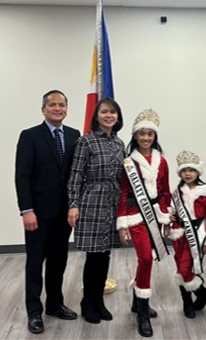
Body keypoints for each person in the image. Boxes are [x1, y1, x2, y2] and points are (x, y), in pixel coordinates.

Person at [15, 90, 79, 334]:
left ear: (66, 109)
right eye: (52, 105)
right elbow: (22, 176)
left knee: (58, 262)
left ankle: (55, 304)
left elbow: (75, 174)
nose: (57, 108)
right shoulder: (30, 136)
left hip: (64, 215)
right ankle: (34, 312)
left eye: (61, 105)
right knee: (34, 264)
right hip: (38, 215)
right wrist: (26, 210)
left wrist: (75, 205)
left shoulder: (74, 135)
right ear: (43, 109)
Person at [67, 98, 125, 324]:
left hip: (112, 201)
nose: (109, 115)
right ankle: (87, 302)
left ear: (118, 117)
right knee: (93, 256)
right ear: (97, 116)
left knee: (105, 254)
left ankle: (99, 300)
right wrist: (73, 204)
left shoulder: (120, 144)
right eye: (104, 112)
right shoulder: (86, 141)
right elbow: (75, 175)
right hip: (92, 201)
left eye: (113, 112)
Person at [117, 109, 171, 338]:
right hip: (135, 215)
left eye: (150, 134)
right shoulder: (129, 162)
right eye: (142, 134)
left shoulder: (163, 161)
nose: (146, 138)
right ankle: (142, 312)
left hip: (155, 216)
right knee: (146, 258)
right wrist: (122, 223)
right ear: (135, 137)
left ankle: (136, 301)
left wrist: (166, 217)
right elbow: (123, 193)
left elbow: (166, 192)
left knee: (147, 259)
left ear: (155, 136)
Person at [169, 150, 206, 319]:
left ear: (198, 172)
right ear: (180, 173)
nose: (188, 174)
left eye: (192, 170)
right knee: (182, 268)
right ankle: (187, 302)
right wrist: (172, 222)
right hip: (179, 236)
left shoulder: (205, 191)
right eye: (184, 170)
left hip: (197, 235)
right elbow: (173, 214)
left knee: (185, 269)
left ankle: (203, 294)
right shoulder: (177, 192)